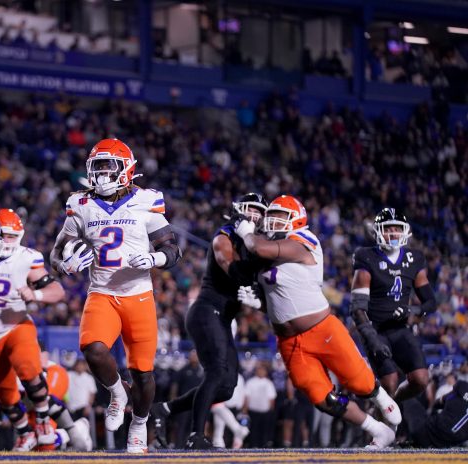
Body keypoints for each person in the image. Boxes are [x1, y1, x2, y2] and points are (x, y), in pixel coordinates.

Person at [234, 195, 401, 448]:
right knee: (323, 399)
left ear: (296, 219)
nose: (274, 221)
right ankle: (377, 430)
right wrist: (262, 305)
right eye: (272, 216)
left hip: (322, 329)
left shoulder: (304, 240)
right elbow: (284, 298)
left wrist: (247, 233)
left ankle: (379, 396)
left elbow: (259, 248)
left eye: (281, 216)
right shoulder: (265, 249)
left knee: (359, 382)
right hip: (288, 340)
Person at [50, 138, 181, 453]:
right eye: (98, 167)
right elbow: (56, 253)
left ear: (127, 169)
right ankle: (116, 391)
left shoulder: (146, 201)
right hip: (103, 293)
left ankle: (138, 423)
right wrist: (63, 265)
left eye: (109, 167)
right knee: (92, 349)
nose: (103, 174)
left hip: (138, 295)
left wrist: (155, 259)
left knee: (144, 374)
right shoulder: (81, 205)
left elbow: (172, 249)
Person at [150, 193, 268, 449]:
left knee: (226, 388)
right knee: (216, 372)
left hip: (222, 318)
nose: (255, 215)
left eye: (260, 211)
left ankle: (164, 409)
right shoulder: (224, 235)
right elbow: (232, 269)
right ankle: (196, 436)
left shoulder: (256, 243)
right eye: (251, 209)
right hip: (206, 311)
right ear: (239, 210)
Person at [0, 208, 65, 451]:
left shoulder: (26, 258)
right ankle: (25, 433)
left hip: (16, 325)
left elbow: (57, 291)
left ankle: (44, 420)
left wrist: (35, 293)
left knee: (28, 368)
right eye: (2, 235)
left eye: (12, 236)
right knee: (3, 391)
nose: (6, 242)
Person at [351, 208, 435, 402]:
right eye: (388, 229)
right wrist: (372, 339)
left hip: (400, 328)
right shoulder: (366, 257)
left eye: (397, 228)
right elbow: (357, 308)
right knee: (389, 381)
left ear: (404, 231)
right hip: (375, 328)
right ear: (378, 231)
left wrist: (413, 310)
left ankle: (388, 407)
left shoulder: (414, 258)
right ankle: (381, 419)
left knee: (421, 380)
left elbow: (430, 302)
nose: (393, 233)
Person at [402, 379, 468, 447]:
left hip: (424, 432)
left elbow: (439, 402)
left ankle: (401, 436)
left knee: (406, 395)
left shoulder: (462, 386)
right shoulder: (462, 388)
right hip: (444, 446)